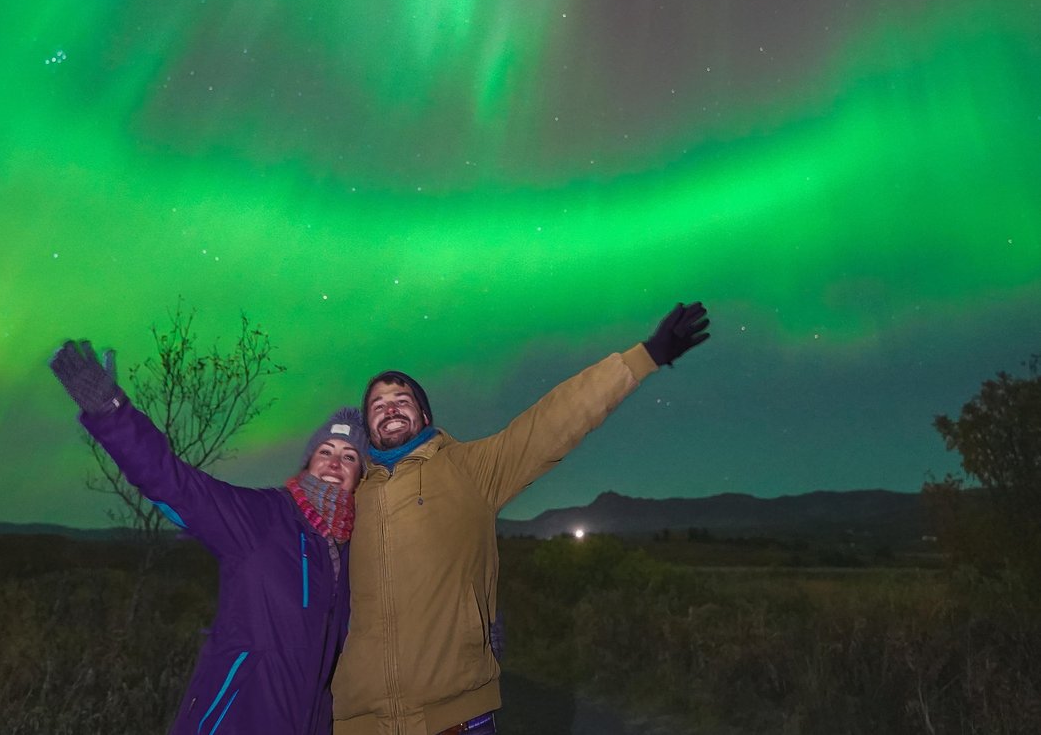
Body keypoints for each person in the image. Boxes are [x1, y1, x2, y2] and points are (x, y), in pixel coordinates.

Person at [331, 302, 711, 735]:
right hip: (358, 723)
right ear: (367, 424)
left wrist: (645, 356)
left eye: (403, 400)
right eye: (377, 404)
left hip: (452, 715)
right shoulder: (346, 497)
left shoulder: (471, 469)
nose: (390, 408)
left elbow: (551, 422)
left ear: (426, 416)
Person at [49, 339, 365, 735]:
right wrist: (111, 412)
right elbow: (175, 484)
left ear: (359, 477)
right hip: (235, 721)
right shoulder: (264, 517)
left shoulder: (353, 550)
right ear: (308, 462)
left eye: (350, 456)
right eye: (326, 451)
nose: (335, 463)